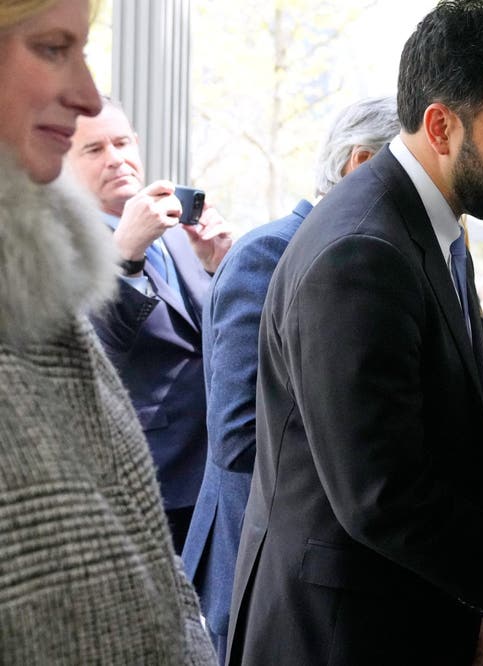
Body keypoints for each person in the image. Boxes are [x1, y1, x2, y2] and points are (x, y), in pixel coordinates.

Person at [226, 2, 483, 664]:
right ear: (441, 125)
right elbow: (382, 496)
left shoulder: (427, 227)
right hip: (340, 636)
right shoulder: (363, 250)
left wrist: (467, 611)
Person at [0, 0, 216, 662]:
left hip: (179, 489)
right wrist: (121, 255)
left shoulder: (170, 239)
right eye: (52, 47)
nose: (87, 92)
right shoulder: (72, 255)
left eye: (124, 142)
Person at [180, 95, 400, 661]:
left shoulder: (361, 254)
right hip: (253, 568)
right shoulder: (269, 253)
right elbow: (239, 437)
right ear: (360, 164)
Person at [65, 97, 235, 553]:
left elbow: (219, 338)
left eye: (122, 142)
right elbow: (91, 353)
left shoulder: (180, 232)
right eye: (94, 149)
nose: (116, 158)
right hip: (145, 482)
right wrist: (123, 256)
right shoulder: (59, 245)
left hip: (221, 469)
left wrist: (222, 267)